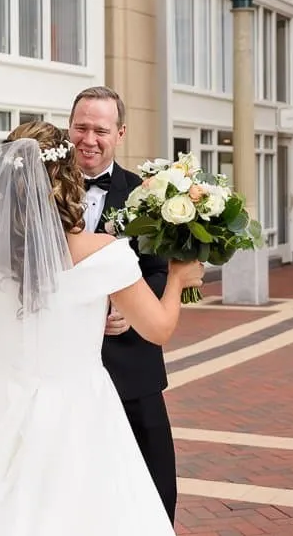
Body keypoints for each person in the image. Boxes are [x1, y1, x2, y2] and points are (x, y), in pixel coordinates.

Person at [0, 121, 203, 536]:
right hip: (76, 405)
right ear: (67, 177)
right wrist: (177, 278)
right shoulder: (103, 252)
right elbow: (159, 329)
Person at [68, 85, 179, 523]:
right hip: (66, 365)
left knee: (154, 479)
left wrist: (129, 314)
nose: (88, 139)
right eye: (80, 127)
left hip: (131, 366)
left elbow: (158, 270)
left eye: (100, 129)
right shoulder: (42, 195)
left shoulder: (146, 198)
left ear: (121, 133)